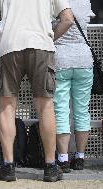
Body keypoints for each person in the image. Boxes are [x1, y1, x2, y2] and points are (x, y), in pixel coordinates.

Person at [0, 0, 74, 182]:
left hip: (9, 46)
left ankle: (8, 166)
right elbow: (68, 19)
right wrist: (48, 38)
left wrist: (1, 42)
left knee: (7, 107)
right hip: (41, 46)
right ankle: (50, 166)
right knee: (45, 106)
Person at [53, 0, 95, 173]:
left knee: (61, 111)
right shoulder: (85, 1)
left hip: (60, 59)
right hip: (84, 60)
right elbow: (88, 19)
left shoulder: (55, 2)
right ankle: (80, 157)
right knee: (82, 111)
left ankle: (63, 158)